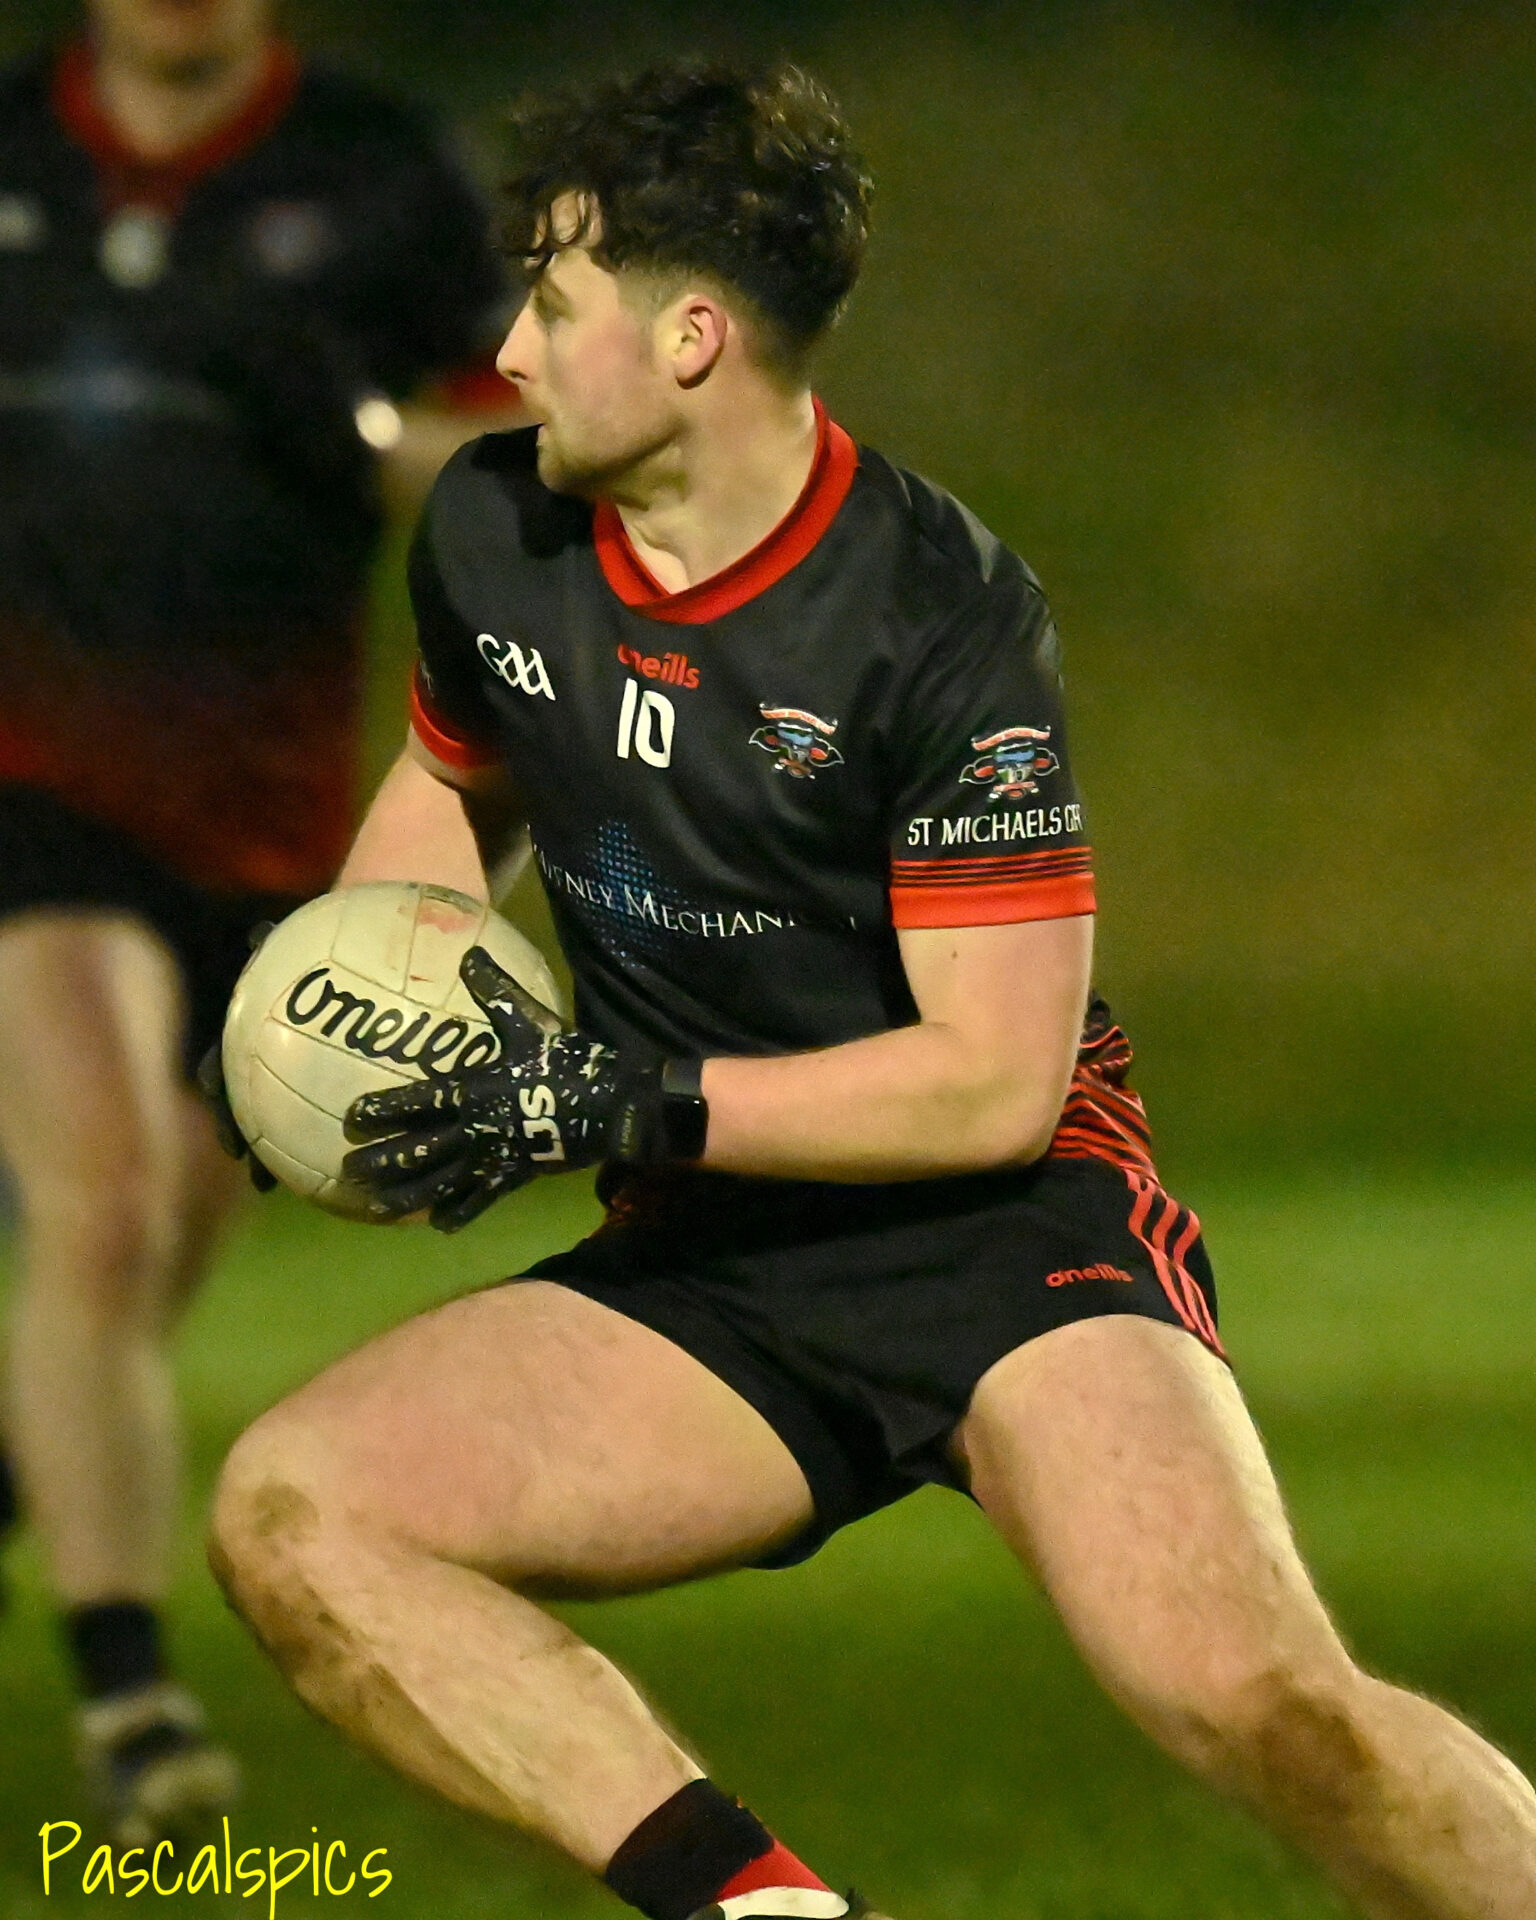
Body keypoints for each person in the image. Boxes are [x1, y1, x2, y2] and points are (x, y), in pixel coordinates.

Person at [207, 61, 1536, 1920]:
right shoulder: (496, 533)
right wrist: (345, 1021)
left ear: (689, 337)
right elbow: (457, 777)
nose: (506, 353)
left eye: (553, 304)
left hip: (1003, 1238)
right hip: (714, 1257)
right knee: (301, 1508)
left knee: (1268, 1708)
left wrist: (619, 1100)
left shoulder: (934, 617)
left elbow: (991, 1084)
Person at [0, 0, 515, 1846]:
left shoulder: (380, 175)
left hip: (257, 808)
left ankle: (24, 1476)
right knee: (106, 1199)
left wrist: (357, 427)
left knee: (145, 1262)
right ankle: (131, 1699)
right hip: (27, 783)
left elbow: (527, 470)